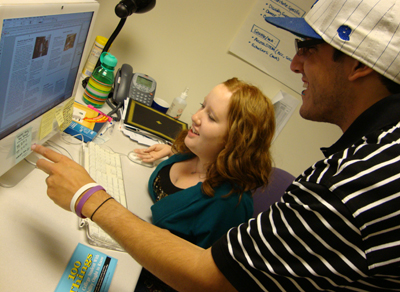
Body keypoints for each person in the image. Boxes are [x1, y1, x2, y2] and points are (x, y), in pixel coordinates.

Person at [32, 0, 400, 290]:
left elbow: (216, 277)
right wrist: (178, 151)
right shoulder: (365, 155)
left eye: (307, 48)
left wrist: (88, 197)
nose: (294, 63)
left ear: (358, 65)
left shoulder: (361, 181)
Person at [132, 78, 275, 291]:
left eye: (211, 117)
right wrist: (172, 150)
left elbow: (199, 280)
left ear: (234, 139)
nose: (195, 116)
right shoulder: (194, 152)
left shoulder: (227, 205)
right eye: (202, 105)